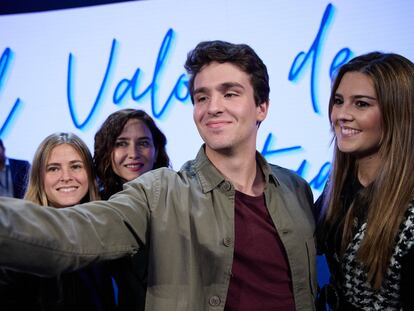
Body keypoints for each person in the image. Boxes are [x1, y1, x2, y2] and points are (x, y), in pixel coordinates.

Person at [0, 41, 316, 310]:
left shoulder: (296, 188)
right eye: (202, 97)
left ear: (261, 107)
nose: (213, 107)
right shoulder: (158, 192)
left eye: (230, 93)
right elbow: (70, 233)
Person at [315, 52, 414, 310]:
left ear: (398, 112)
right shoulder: (336, 184)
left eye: (361, 104)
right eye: (338, 101)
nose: (342, 115)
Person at [0, 132, 115, 310]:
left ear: (90, 174)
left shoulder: (106, 229)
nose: (66, 176)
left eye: (76, 166)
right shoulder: (21, 237)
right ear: (39, 177)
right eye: (53, 168)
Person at [94, 108, 170, 310]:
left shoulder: (179, 200)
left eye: (143, 143)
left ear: (156, 151)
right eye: (121, 144)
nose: (133, 154)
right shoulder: (97, 208)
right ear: (107, 152)